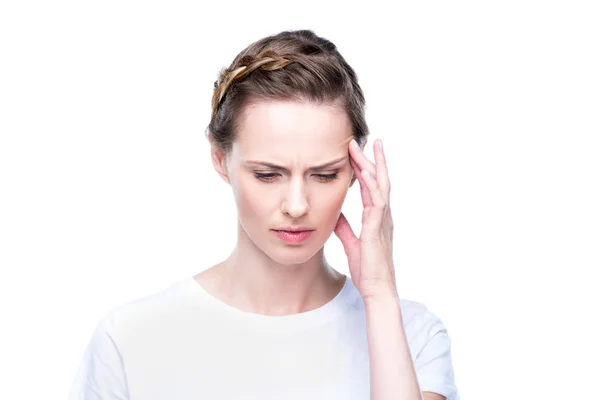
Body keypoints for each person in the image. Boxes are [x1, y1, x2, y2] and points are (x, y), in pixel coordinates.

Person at [68, 29, 459, 400]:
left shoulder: (410, 335)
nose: (296, 205)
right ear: (220, 159)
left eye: (324, 175)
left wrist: (379, 296)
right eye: (267, 175)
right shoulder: (131, 339)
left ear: (357, 170)